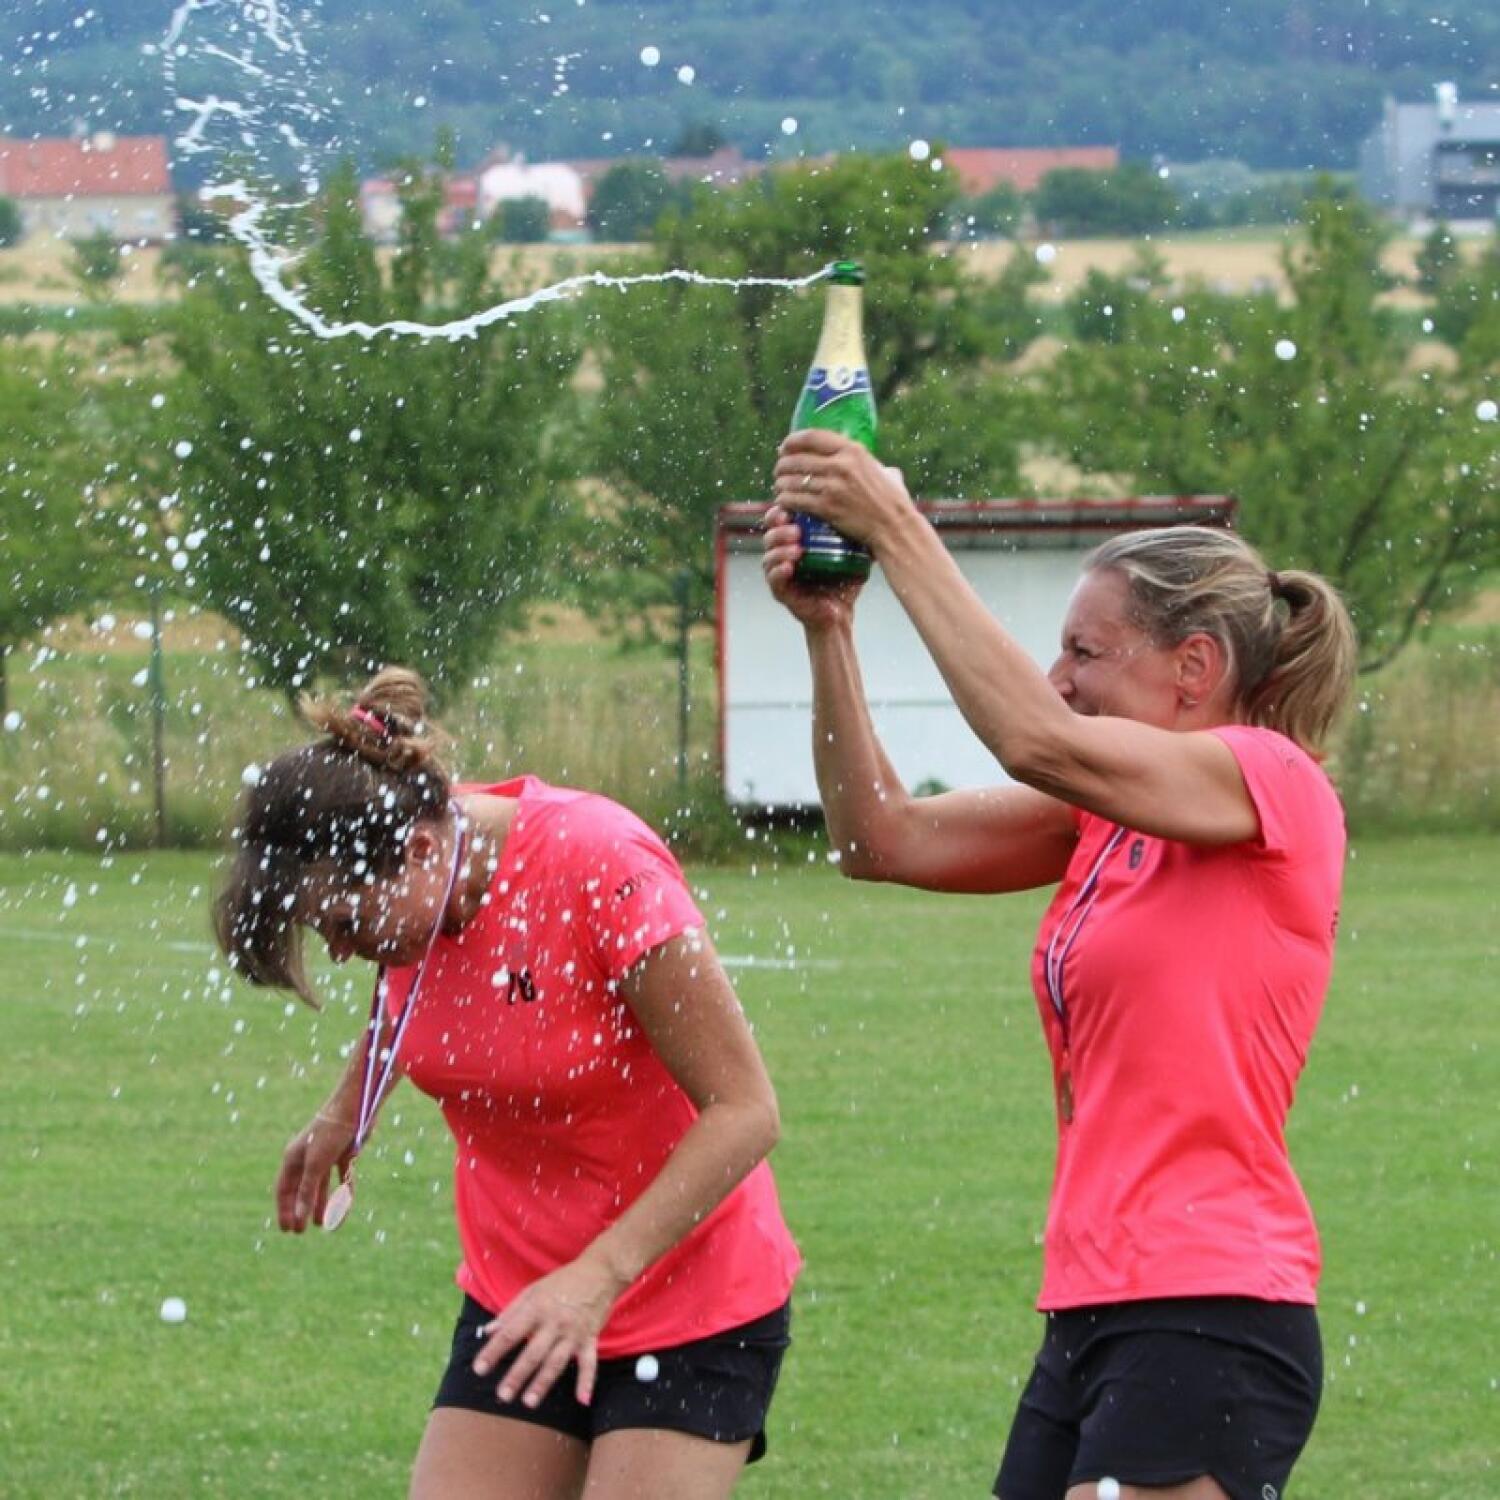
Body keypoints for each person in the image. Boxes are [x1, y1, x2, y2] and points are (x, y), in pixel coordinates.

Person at [763, 429, 1357, 1500]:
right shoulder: (1101, 818)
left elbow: (1033, 737)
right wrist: (829, 631)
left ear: (1194, 668)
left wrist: (895, 526)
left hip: (1214, 1303)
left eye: (1086, 652)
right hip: (1093, 1305)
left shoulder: (1273, 782)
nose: (1059, 678)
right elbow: (879, 838)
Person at [214, 667, 800, 1500]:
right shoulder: (419, 870)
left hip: (690, 1299)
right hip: (520, 1297)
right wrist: (348, 1105)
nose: (343, 952)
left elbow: (747, 1111)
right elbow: (418, 992)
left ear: (423, 852)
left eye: (344, 924)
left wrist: (597, 1277)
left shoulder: (597, 863)